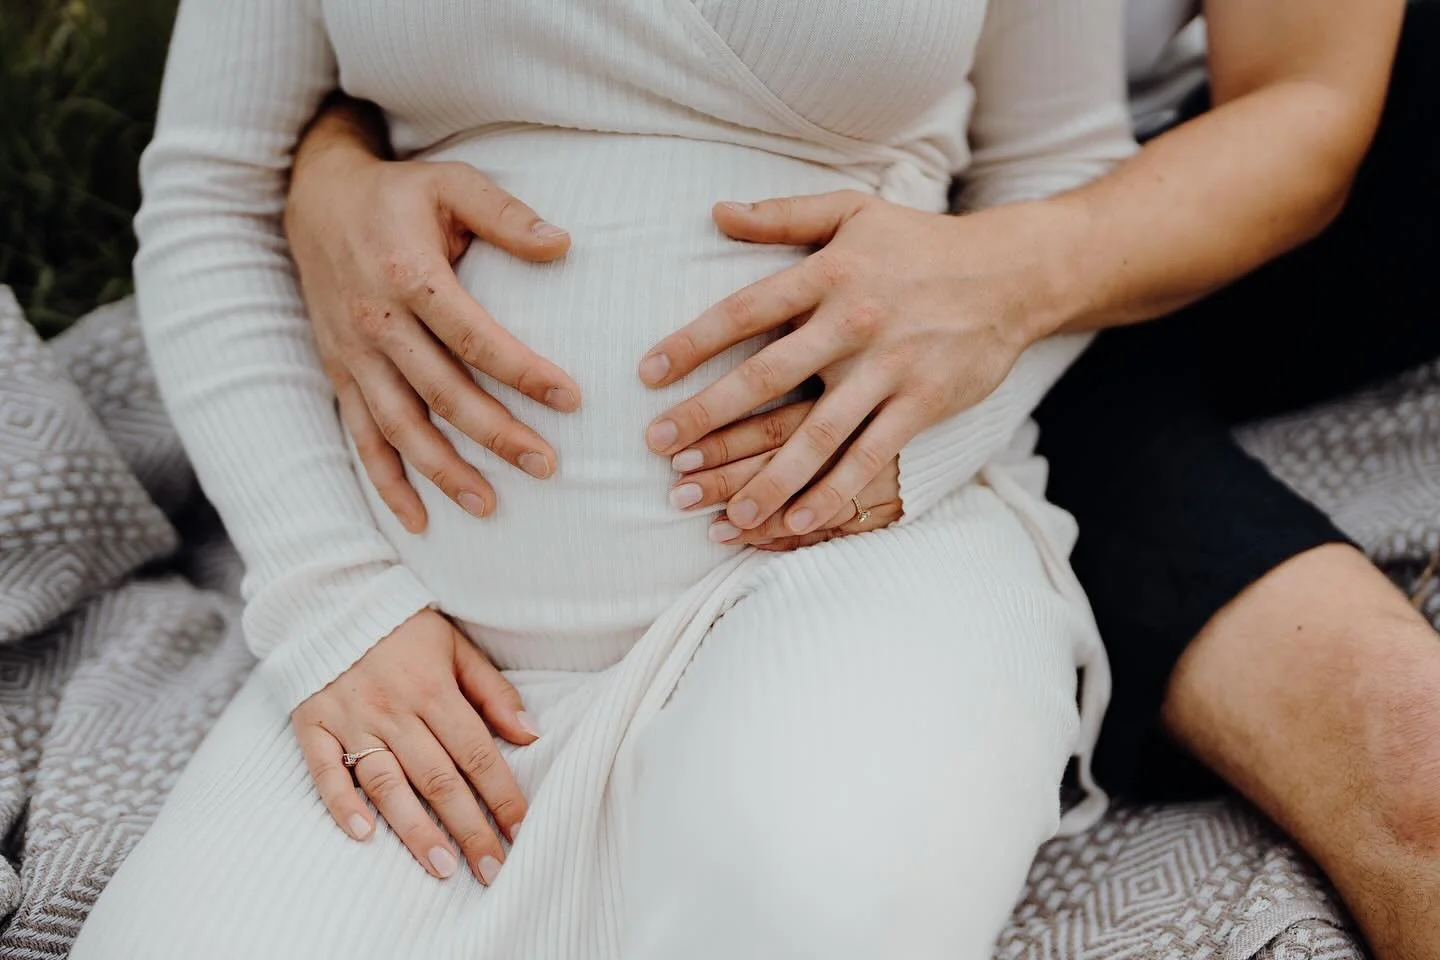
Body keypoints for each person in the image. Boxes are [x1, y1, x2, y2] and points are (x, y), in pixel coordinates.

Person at [266, 1, 1440, 957]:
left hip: (1119, 243)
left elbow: (1307, 101)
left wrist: (1001, 288)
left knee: (1412, 770)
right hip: (954, 251)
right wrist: (320, 168)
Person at [70, 1, 1139, 958]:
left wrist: (909, 451)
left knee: (816, 908)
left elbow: (1064, 168)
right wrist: (333, 599)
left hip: (854, 566)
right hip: (422, 644)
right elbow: (214, 194)